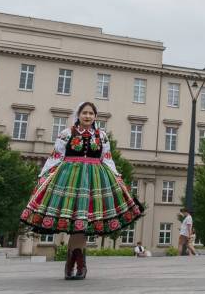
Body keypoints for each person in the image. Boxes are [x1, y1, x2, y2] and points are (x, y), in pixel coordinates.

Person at [20, 101, 144, 280]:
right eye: (84, 113)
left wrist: (117, 177)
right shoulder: (67, 133)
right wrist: (44, 175)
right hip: (69, 179)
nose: (87, 116)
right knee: (78, 224)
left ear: (95, 116)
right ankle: (77, 265)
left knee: (82, 223)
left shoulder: (101, 135)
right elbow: (56, 156)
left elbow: (107, 158)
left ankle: (75, 265)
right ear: (78, 115)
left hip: (95, 181)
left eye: (91, 113)